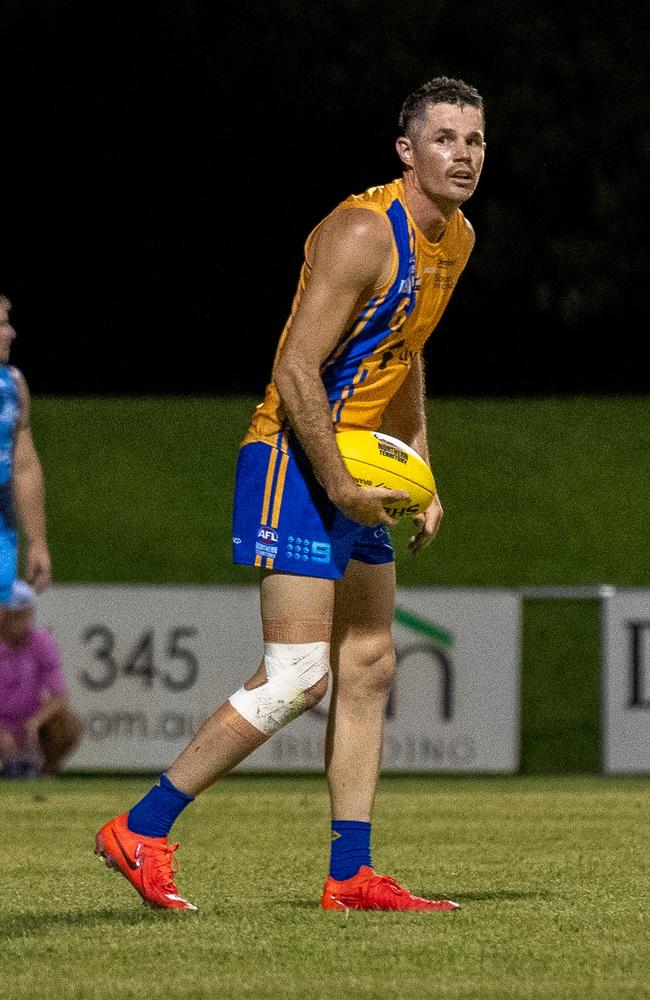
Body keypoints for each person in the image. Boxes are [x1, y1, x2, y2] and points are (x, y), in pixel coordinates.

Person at [95, 76, 486, 912]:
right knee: (299, 676)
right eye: (445, 138)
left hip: (355, 469)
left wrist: (420, 466)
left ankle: (350, 876)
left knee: (371, 662)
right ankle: (142, 827)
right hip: (295, 458)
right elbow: (294, 369)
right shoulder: (360, 232)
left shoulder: (456, 240)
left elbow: (406, 352)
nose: (463, 154)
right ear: (406, 151)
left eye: (476, 140)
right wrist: (340, 484)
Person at [0, 579, 81, 777]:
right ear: (4, 616)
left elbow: (59, 696)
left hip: (29, 720)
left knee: (67, 724)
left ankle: (44, 773)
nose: (26, 622)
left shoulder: (40, 642)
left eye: (29, 614)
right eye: (19, 616)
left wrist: (35, 722)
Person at [0, 294, 52, 600]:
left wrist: (37, 541)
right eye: (3, 324)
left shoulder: (14, 385)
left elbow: (24, 464)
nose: (12, 332)